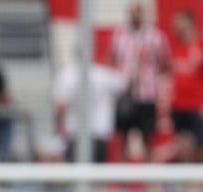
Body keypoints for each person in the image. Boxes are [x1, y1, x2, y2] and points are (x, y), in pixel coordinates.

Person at [108, 3, 171, 159]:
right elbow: (111, 59)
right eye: (132, 13)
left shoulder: (156, 36)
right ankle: (121, 179)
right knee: (122, 138)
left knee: (148, 138)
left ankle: (150, 180)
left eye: (138, 13)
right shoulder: (120, 35)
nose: (135, 16)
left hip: (146, 94)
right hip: (125, 93)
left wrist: (149, 75)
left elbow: (165, 63)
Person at [54, 52, 127, 163]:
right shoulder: (103, 74)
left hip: (75, 132)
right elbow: (123, 85)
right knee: (96, 173)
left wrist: (59, 130)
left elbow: (61, 106)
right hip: (98, 132)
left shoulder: (67, 75)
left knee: (75, 173)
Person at [169, 10, 203, 156]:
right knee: (182, 149)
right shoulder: (175, 47)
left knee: (199, 148)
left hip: (196, 106)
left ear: (190, 23)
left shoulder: (200, 47)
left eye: (179, 22)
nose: (176, 26)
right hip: (178, 106)